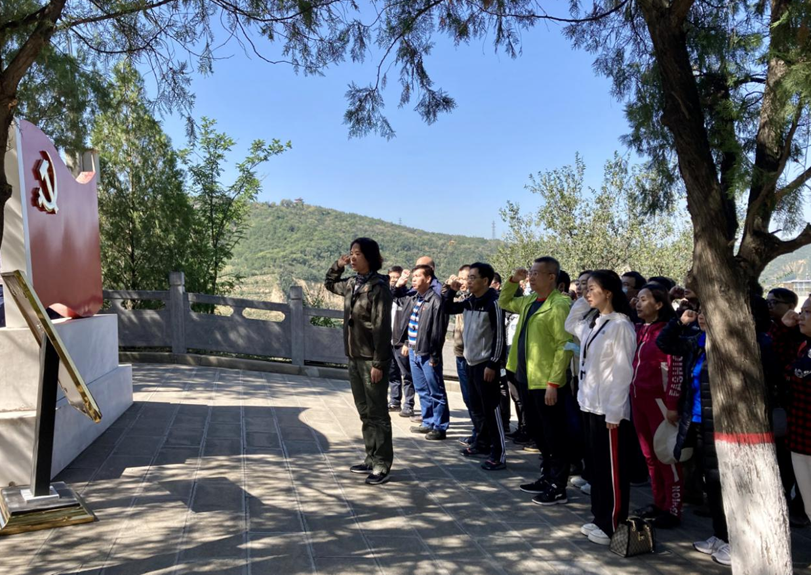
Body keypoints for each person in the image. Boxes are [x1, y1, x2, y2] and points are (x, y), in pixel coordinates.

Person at [565, 270, 636, 546]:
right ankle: (600, 517)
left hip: (609, 411)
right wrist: (582, 300)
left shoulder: (621, 326)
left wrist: (615, 412)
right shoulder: (596, 323)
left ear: (609, 292)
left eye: (593, 288)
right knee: (597, 468)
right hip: (589, 406)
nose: (587, 292)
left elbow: (622, 372)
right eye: (586, 288)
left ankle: (612, 524)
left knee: (612, 471)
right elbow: (571, 323)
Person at [656, 305, 730, 564]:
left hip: (720, 424)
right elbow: (665, 343)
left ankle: (733, 540)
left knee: (722, 482)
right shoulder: (698, 339)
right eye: (700, 311)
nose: (702, 315)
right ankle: (720, 535)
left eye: (708, 311)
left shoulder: (731, 344)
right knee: (711, 482)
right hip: (697, 421)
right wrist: (679, 322)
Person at [499, 257, 573, 505]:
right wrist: (513, 281)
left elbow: (564, 346)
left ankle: (558, 485)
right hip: (525, 377)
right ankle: (547, 475)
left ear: (551, 277)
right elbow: (504, 302)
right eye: (530, 272)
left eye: (536, 273)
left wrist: (554, 383)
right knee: (536, 431)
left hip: (545, 381)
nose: (531, 277)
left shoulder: (559, 305)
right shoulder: (531, 300)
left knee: (554, 434)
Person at [324, 238, 394, 485]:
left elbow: (381, 327)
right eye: (351, 253)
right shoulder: (352, 283)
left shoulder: (378, 287)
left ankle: (382, 464)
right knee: (364, 411)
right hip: (354, 356)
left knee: (378, 413)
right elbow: (329, 284)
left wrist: (379, 363)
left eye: (358, 254)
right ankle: (370, 457)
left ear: (370, 257)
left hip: (370, 359)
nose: (352, 257)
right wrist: (338, 265)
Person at [629, 283, 684, 528]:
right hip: (638, 399)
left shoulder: (668, 333)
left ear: (659, 304)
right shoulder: (640, 329)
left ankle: (673, 508)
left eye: (644, 299)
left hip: (660, 403)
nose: (638, 303)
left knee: (666, 457)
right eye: (637, 299)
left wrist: (672, 404)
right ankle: (659, 502)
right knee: (649, 456)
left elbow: (675, 371)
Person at [444, 263, 507, 470]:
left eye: (472, 277)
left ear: (485, 281)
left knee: (491, 409)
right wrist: (451, 291)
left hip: (485, 365)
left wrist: (492, 364)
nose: (468, 281)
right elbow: (448, 309)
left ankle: (498, 454)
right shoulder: (470, 301)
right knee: (475, 406)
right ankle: (481, 443)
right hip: (469, 362)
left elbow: (499, 337)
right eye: (468, 277)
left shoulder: (494, 303)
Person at [394, 264, 450, 440]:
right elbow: (408, 319)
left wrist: (434, 355)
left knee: (436, 390)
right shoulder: (415, 298)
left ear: (428, 279)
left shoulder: (435, 301)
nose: (414, 279)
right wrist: (406, 342)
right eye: (414, 276)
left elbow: (438, 331)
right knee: (422, 389)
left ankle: (440, 426)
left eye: (418, 276)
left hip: (428, 352)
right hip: (414, 350)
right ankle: (428, 421)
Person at [447, 265, 483, 448]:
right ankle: (477, 433)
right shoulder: (464, 300)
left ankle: (482, 437)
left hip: (476, 357)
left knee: (477, 400)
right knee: (468, 398)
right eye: (461, 278)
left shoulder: (479, 301)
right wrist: (450, 290)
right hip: (461, 352)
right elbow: (447, 308)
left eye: (467, 278)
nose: (463, 282)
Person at [783, 298, 811, 530]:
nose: (800, 316)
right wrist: (785, 329)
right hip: (799, 440)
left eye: (808, 312)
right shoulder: (803, 346)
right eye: (802, 311)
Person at [387, 266, 416, 417]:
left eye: (396, 278)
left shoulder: (407, 297)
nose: (394, 280)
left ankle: (409, 405)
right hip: (388, 341)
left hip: (401, 343)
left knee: (407, 375)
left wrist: (407, 342)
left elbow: (411, 322)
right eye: (391, 277)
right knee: (392, 374)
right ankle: (394, 401)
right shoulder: (387, 296)